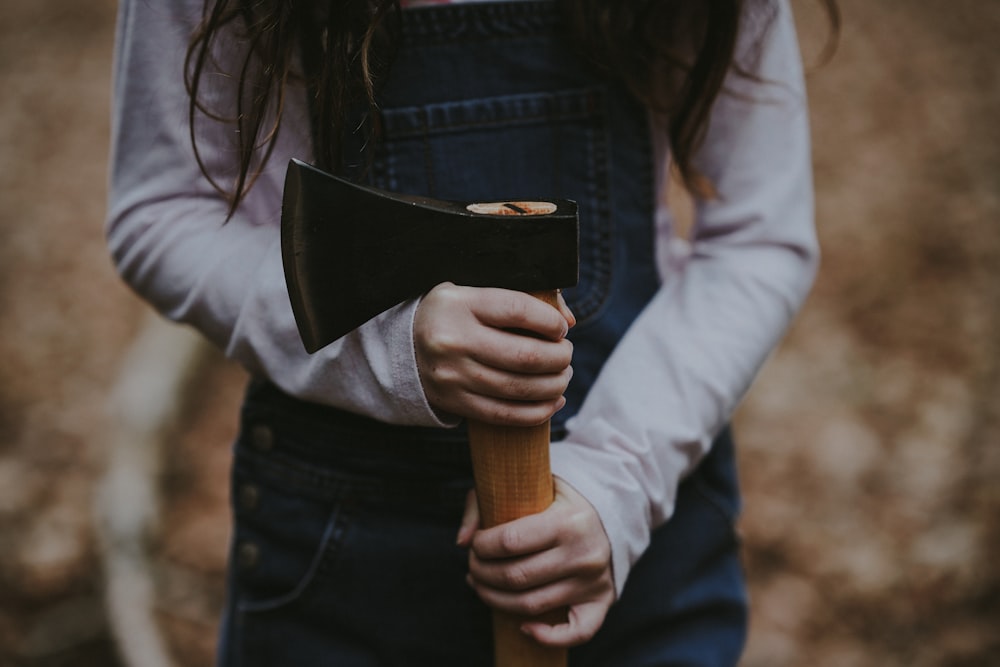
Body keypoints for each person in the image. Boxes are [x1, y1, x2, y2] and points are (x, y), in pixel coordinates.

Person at [106, 0, 835, 664]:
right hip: (341, 568)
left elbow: (759, 236)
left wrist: (616, 480)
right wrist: (391, 349)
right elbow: (161, 211)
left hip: (643, 550)